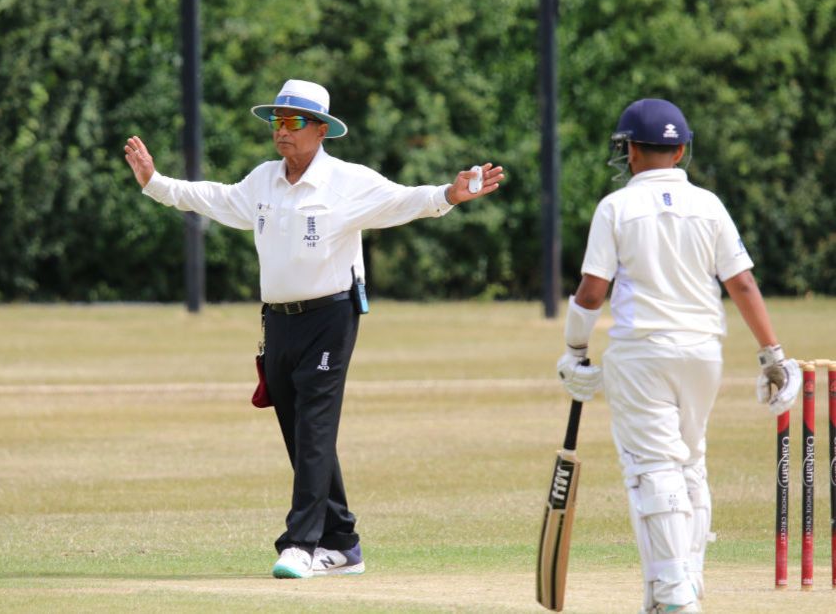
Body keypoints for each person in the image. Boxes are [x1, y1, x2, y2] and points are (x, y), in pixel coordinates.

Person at [123, 79, 504, 579]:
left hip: (331, 317)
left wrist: (449, 195)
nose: (281, 130)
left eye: (294, 121)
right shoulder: (263, 179)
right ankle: (343, 544)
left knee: (315, 427)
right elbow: (214, 197)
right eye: (277, 121)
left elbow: (404, 200)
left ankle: (300, 544)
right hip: (278, 321)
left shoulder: (346, 181)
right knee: (300, 433)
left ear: (321, 130)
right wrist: (155, 183)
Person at [555, 98, 801, 613]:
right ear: (682, 150)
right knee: (690, 461)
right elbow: (742, 283)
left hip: (642, 353)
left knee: (653, 468)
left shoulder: (616, 207)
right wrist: (772, 355)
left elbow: (592, 291)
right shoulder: (708, 204)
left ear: (631, 151)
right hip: (703, 353)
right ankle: (684, 582)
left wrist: (575, 349)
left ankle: (673, 594)